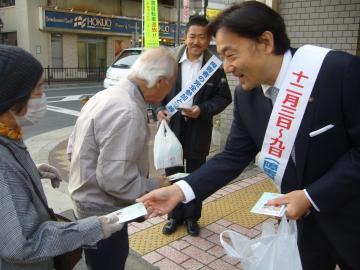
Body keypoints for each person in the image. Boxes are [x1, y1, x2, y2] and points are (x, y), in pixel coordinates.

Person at [138, 2, 360, 270]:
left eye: (230, 55)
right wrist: (180, 190)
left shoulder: (338, 72)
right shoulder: (247, 96)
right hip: (299, 225)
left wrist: (312, 196)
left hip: (351, 218)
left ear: (265, 41)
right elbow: (233, 156)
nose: (227, 67)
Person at [0, 44, 123, 270]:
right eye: (38, 88)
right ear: (12, 97)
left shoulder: (8, 134)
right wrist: (93, 228)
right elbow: (22, 245)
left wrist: (32, 172)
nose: (43, 96)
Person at [67, 46, 176, 270]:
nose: (169, 91)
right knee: (109, 262)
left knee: (96, 262)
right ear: (160, 82)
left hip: (86, 200)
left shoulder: (103, 96)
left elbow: (71, 148)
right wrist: (155, 185)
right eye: (171, 85)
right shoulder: (128, 111)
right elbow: (115, 180)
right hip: (103, 210)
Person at [156, 15, 232, 237]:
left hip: (199, 129)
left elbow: (224, 97)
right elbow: (157, 88)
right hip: (173, 128)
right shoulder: (169, 61)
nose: (197, 42)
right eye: (193, 36)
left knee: (196, 176)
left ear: (209, 39)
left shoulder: (214, 66)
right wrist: (158, 109)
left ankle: (191, 218)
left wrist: (203, 109)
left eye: (202, 37)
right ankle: (174, 216)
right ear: (185, 36)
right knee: (173, 174)